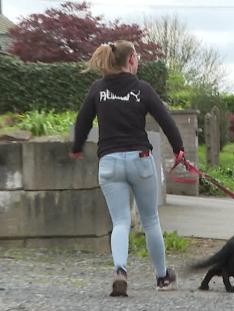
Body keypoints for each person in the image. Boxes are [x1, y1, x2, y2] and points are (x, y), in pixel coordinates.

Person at [70, 40, 182, 297]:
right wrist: (179, 149)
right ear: (131, 59)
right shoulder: (141, 89)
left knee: (120, 220)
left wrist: (77, 147)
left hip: (109, 163)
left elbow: (83, 121)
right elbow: (165, 119)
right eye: (137, 57)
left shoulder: (98, 89)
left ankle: (120, 270)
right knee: (151, 219)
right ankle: (162, 277)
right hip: (140, 159)